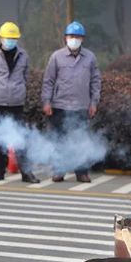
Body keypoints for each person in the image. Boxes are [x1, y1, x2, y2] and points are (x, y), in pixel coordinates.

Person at [41, 20, 101, 183]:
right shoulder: (57, 57)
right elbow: (48, 81)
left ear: (82, 39)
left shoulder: (90, 58)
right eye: (71, 36)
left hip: (82, 106)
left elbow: (96, 81)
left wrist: (94, 103)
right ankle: (59, 170)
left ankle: (81, 172)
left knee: (80, 140)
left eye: (78, 36)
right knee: (59, 140)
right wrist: (46, 102)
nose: (74, 39)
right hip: (59, 105)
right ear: (65, 38)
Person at [0, 22, 40, 184]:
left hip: (16, 103)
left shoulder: (23, 56)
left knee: (20, 137)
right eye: (8, 38)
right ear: (0, 37)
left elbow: (26, 76)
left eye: (14, 38)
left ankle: (26, 173)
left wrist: (18, 90)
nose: (10, 41)